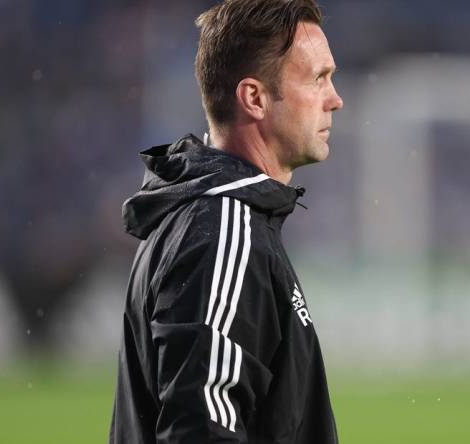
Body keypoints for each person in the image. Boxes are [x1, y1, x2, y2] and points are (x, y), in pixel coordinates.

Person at [109, 0, 344, 442]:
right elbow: (200, 431)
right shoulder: (222, 234)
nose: (335, 99)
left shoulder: (209, 217)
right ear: (254, 98)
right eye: (318, 79)